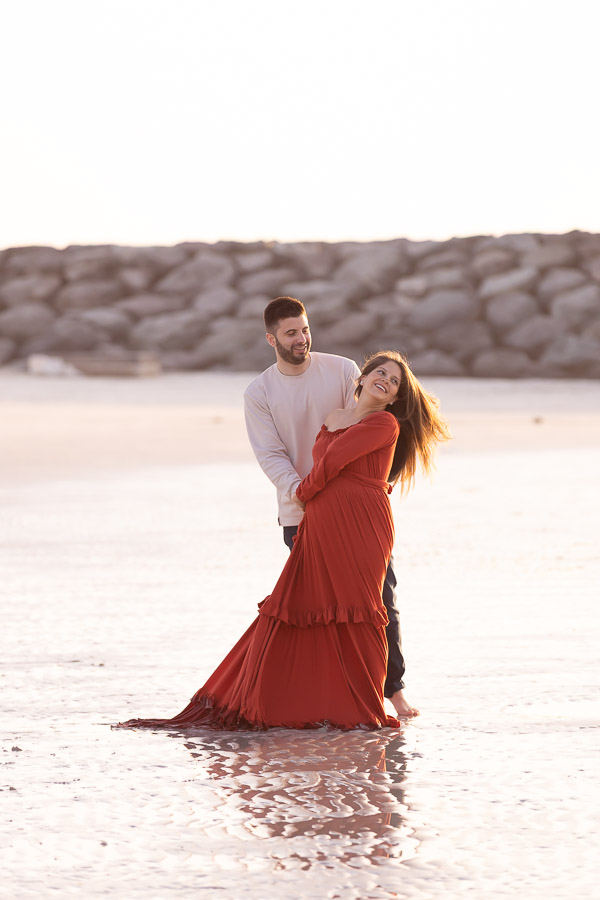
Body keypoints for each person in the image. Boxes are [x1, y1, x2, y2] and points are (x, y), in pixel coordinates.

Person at [118, 350, 450, 732]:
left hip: (361, 524)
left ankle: (369, 701)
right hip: (322, 521)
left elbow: (333, 461)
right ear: (362, 378)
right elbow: (321, 458)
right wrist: (307, 498)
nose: (386, 381)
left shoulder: (385, 423)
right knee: (303, 606)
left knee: (362, 609)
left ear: (394, 398)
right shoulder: (333, 418)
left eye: (394, 382)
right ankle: (291, 698)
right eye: (381, 372)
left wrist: (303, 492)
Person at [244, 297, 417, 718]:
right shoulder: (259, 392)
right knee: (316, 606)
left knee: (378, 598)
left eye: (304, 329)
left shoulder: (341, 370)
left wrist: (370, 486)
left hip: (351, 514)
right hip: (300, 511)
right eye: (290, 333)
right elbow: (270, 455)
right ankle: (326, 693)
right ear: (272, 339)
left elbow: (367, 418)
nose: (301, 338)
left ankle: (391, 690)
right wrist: (300, 493)